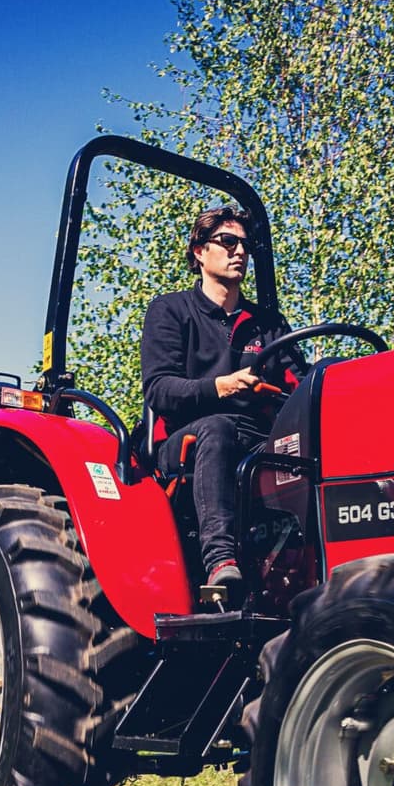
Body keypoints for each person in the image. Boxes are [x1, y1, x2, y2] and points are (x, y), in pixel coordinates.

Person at [140, 205, 293, 601]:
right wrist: (220, 388)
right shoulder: (172, 311)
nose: (239, 251)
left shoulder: (269, 325)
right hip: (188, 441)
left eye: (245, 244)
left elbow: (298, 382)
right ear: (199, 251)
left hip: (257, 440)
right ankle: (220, 561)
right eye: (227, 242)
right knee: (219, 428)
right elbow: (160, 390)